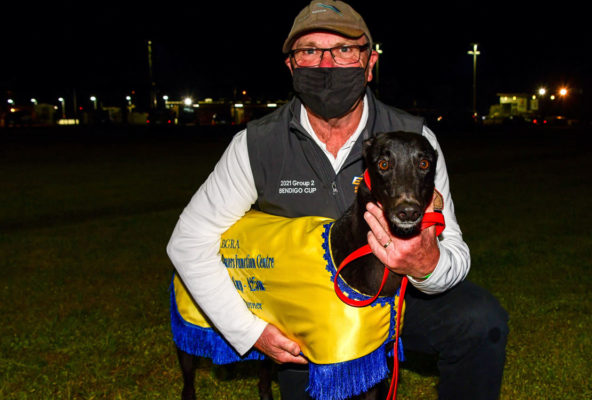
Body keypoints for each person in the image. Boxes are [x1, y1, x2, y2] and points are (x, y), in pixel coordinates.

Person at [167, 1, 509, 399]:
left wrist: (426, 265)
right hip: (308, 316)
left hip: (393, 300)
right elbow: (188, 242)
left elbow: (457, 255)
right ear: (291, 66)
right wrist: (250, 331)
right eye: (310, 50)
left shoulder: (414, 141)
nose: (327, 65)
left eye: (345, 49)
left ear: (369, 62)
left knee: (481, 320)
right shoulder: (256, 145)